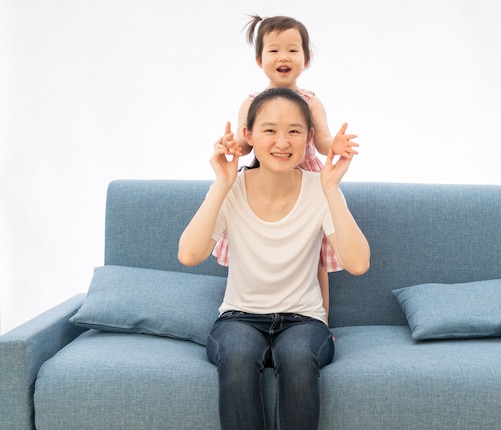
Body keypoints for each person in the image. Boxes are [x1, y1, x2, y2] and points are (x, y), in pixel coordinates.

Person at [178, 87, 370, 430]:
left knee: (296, 357)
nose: (282, 142)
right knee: (236, 356)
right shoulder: (231, 187)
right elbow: (189, 254)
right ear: (249, 135)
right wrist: (221, 183)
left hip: (304, 321)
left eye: (294, 131)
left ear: (309, 137)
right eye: (269, 130)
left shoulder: (318, 187)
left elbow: (358, 264)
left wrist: (332, 189)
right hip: (239, 319)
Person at [212, 15, 358, 324]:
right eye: (274, 50)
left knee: (314, 260)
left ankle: (320, 322)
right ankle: (247, 311)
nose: (283, 57)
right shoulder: (252, 102)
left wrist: (337, 145)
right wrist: (230, 145)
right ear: (259, 60)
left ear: (306, 60)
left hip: (305, 180)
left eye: (293, 50)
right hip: (266, 178)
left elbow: (320, 141)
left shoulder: (310, 101)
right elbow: (245, 143)